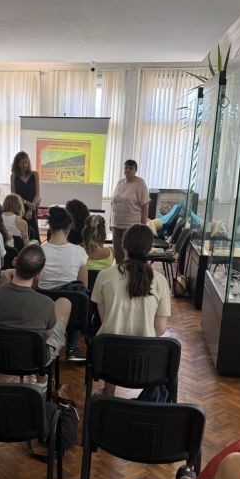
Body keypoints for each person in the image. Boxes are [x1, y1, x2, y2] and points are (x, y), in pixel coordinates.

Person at [91, 224, 170, 395]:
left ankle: (108, 395)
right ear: (149, 249)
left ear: (123, 243)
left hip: (107, 358)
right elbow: (159, 329)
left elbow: (105, 319)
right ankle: (143, 405)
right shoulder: (160, 281)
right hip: (145, 362)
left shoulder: (104, 276)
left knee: (110, 335)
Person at [0, 244, 71, 391]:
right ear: (38, 274)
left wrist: (2, 279)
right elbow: (47, 336)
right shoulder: (46, 303)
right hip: (33, 358)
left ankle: (43, 381)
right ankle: (42, 383)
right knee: (64, 303)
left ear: (15, 261)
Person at [39, 206, 88, 362]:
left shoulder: (39, 251)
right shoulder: (79, 252)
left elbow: (34, 282)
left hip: (44, 310)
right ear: (69, 227)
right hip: (73, 313)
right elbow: (84, 285)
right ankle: (72, 348)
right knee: (79, 297)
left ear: (50, 226)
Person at [111, 159, 150, 264]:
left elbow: (145, 206)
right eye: (126, 167)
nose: (128, 170)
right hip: (116, 225)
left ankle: (130, 273)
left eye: (131, 168)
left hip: (131, 227)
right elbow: (113, 203)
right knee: (118, 255)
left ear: (136, 170)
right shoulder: (120, 183)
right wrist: (111, 221)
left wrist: (143, 227)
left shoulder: (140, 183)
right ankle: (119, 271)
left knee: (130, 256)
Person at [10, 151, 40, 241]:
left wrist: (31, 209)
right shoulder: (13, 176)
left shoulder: (35, 174)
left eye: (26, 162)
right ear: (17, 163)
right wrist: (26, 203)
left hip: (32, 207)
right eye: (21, 162)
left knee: (34, 233)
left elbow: (38, 193)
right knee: (21, 234)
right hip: (19, 208)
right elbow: (14, 194)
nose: (24, 165)